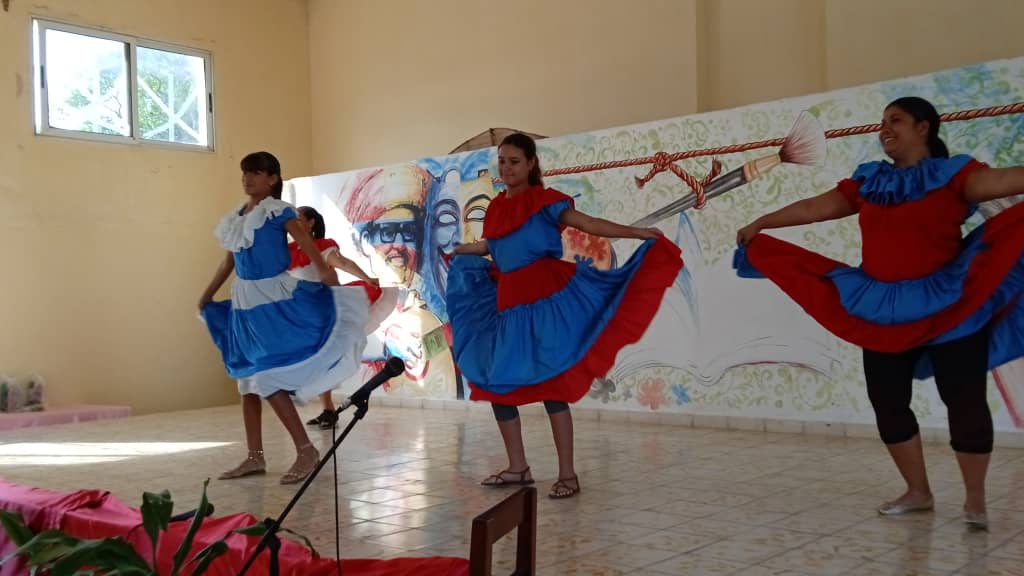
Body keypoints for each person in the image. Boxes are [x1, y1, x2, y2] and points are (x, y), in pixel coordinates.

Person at [735, 96, 1024, 529]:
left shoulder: (956, 176)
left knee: (963, 401)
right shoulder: (870, 183)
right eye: (882, 122)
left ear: (923, 127)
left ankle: (975, 501)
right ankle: (918, 491)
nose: (885, 128)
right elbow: (816, 208)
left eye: (896, 120)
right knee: (888, 402)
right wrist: (763, 222)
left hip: (948, 306)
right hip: (882, 308)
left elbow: (1009, 180)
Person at [447, 133, 682, 498]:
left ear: (530, 164)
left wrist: (635, 232)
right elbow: (492, 247)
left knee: (553, 388)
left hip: (546, 299)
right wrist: (466, 250)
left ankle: (567, 474)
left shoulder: (546, 202)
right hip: (509, 303)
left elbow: (589, 224)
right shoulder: (494, 209)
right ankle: (517, 467)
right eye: (502, 161)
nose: (506, 168)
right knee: (498, 385)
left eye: (514, 161)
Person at [199, 152, 373, 484]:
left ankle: (306, 450)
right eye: (245, 173)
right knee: (247, 382)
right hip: (245, 301)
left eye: (256, 173)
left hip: (274, 298)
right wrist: (207, 294)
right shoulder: (237, 217)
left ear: (273, 178)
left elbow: (306, 241)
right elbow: (228, 263)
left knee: (267, 377)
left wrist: (324, 274)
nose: (247, 179)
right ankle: (254, 456)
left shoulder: (279, 212)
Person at [287, 206, 384, 430]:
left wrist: (367, 278)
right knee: (310, 362)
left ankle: (328, 410)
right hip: (299, 313)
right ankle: (328, 409)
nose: (293, 222)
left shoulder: (321, 247)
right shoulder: (288, 251)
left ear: (311, 223)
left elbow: (345, 264)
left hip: (320, 311)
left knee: (320, 361)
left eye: (299, 218)